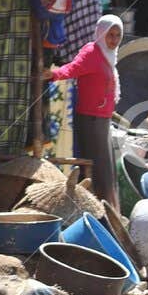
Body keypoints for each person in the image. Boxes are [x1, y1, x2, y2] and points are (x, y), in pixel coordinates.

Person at [46, 14, 123, 209]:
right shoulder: (92, 52)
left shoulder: (109, 55)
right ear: (101, 33)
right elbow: (73, 68)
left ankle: (108, 210)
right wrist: (53, 74)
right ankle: (98, 209)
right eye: (110, 35)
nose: (114, 40)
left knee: (106, 168)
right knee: (98, 168)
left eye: (117, 35)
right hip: (90, 119)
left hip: (102, 119)